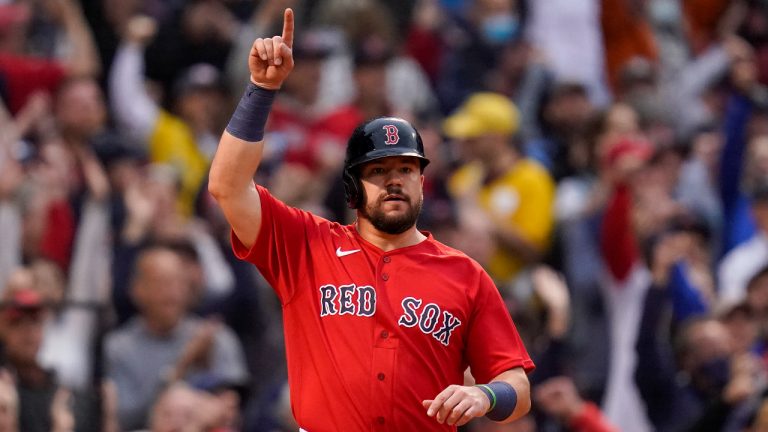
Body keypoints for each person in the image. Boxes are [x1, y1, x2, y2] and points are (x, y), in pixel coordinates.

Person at [208, 8, 533, 431]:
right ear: (353, 188)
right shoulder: (307, 245)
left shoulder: (465, 275)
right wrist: (261, 89)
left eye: (405, 169)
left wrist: (484, 393)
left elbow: (518, 386)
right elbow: (227, 187)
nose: (393, 181)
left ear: (421, 181)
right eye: (377, 171)